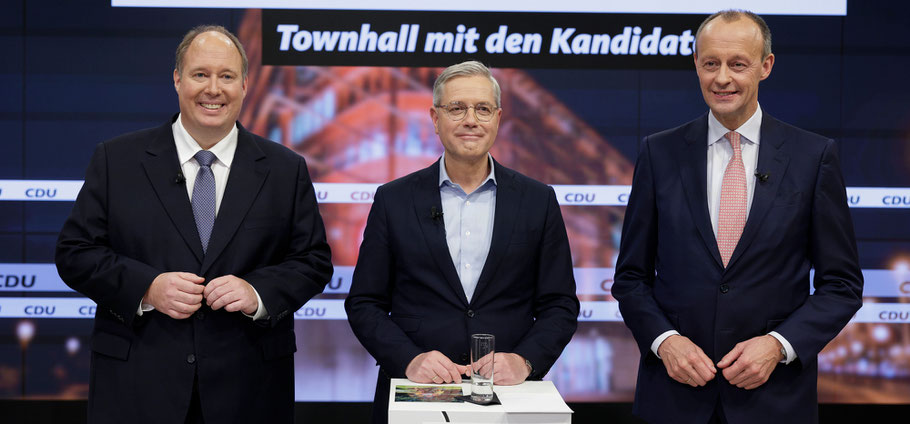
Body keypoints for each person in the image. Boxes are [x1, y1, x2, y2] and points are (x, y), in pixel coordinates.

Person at [55, 25, 333, 424]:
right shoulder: (117, 160)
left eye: (227, 76)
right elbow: (75, 254)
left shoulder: (286, 169)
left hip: (249, 389)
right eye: (200, 74)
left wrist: (258, 292)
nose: (213, 89)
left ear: (245, 84)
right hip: (137, 386)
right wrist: (148, 287)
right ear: (177, 79)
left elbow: (312, 261)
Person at [613, 10, 863, 424]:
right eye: (710, 63)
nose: (722, 78)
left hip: (774, 400)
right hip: (673, 400)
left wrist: (780, 345)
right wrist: (665, 341)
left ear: (766, 66)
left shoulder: (814, 157)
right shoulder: (659, 153)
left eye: (738, 64)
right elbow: (630, 278)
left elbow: (842, 285)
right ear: (696, 63)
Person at [345, 60, 579, 424]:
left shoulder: (538, 200)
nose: (471, 119)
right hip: (417, 394)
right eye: (456, 108)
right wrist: (409, 358)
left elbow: (560, 304)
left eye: (482, 108)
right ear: (435, 119)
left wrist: (525, 360)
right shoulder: (393, 200)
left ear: (498, 118)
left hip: (510, 396)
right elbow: (364, 303)